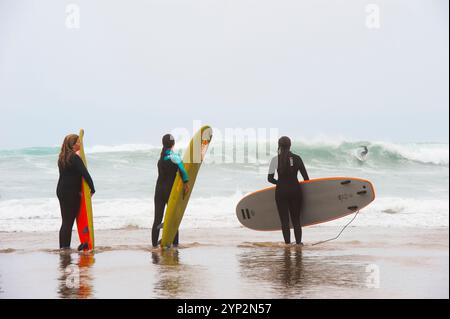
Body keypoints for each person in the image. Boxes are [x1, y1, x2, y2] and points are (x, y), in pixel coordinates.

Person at [268, 137, 309, 245]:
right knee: (296, 220)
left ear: (279, 146)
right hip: (295, 191)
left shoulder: (275, 160)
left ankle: (287, 244)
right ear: (290, 145)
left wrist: (280, 183)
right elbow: (306, 178)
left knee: (284, 221)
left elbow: (270, 179)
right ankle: (298, 243)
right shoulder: (297, 158)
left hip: (281, 192)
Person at [57, 134, 95, 250]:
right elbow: (85, 174)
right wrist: (92, 189)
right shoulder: (74, 158)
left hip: (61, 190)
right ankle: (65, 248)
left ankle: (63, 248)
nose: (80, 144)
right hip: (71, 193)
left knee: (65, 221)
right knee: (69, 222)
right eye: (78, 142)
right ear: (73, 145)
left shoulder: (62, 157)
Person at [152, 134, 189, 248]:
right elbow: (182, 170)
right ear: (173, 144)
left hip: (159, 191)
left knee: (157, 219)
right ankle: (175, 245)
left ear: (163, 143)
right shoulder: (174, 156)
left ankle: (154, 247)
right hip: (170, 191)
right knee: (172, 218)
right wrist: (186, 182)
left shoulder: (161, 157)